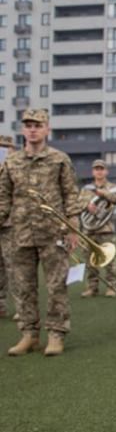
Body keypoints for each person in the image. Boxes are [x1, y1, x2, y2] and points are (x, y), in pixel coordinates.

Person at [0, 109, 80, 356]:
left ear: (47, 129)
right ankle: (29, 334)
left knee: (57, 285)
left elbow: (70, 194)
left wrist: (73, 227)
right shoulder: (11, 162)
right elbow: (3, 196)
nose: (33, 129)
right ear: (23, 130)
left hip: (52, 233)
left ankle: (56, 334)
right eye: (29, 125)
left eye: (38, 125)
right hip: (20, 233)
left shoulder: (59, 159)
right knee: (23, 286)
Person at [79, 160, 116, 298]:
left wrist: (103, 194)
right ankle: (92, 288)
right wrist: (87, 205)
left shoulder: (113, 187)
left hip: (106, 229)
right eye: (96, 169)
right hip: (89, 230)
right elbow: (77, 203)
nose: (99, 171)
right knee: (90, 260)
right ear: (93, 172)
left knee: (109, 259)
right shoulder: (86, 189)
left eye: (102, 169)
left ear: (106, 171)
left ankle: (112, 286)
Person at [0, 135, 16, 319]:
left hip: (11, 223)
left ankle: (22, 308)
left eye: (5, 148)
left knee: (14, 267)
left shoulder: (16, 168)